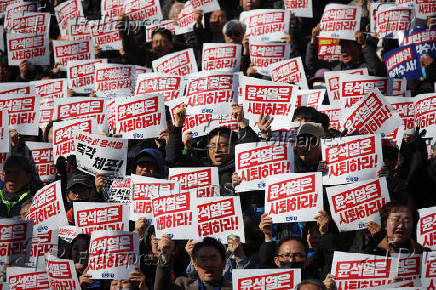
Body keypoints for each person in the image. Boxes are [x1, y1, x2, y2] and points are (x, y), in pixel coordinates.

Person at [154, 236, 232, 290]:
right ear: (195, 264)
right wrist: (165, 255)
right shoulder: (183, 286)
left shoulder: (236, 287)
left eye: (213, 259)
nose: (208, 264)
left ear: (224, 263)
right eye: (203, 259)